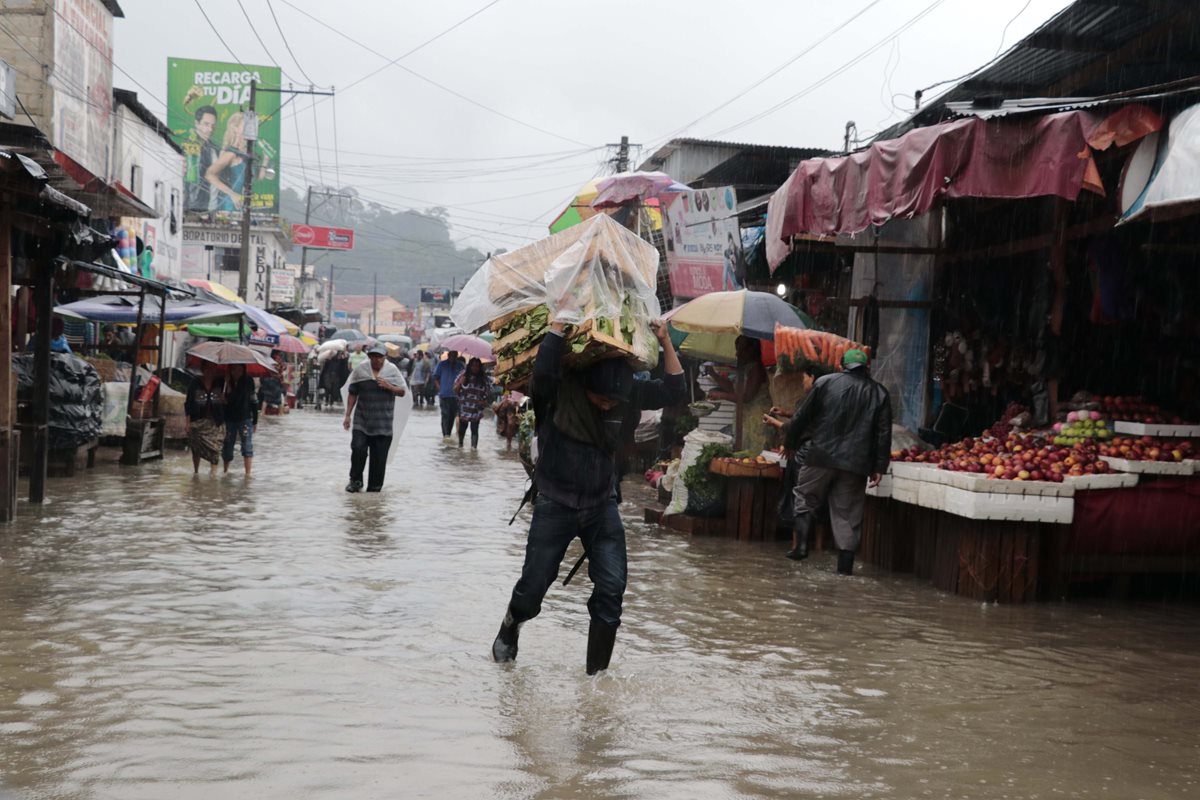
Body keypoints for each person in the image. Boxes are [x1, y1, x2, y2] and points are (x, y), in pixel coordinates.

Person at [491, 313, 686, 675]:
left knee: (612, 590)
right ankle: (511, 622)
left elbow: (675, 391)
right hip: (555, 501)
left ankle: (595, 680)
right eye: (600, 399)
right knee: (533, 587)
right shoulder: (560, 388)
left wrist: (665, 340)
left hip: (601, 504)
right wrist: (557, 328)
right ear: (585, 385)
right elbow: (544, 375)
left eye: (613, 401)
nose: (607, 405)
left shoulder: (627, 391)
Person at [763, 349, 891, 574]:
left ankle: (801, 547)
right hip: (855, 463)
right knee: (847, 513)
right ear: (866, 368)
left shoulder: (825, 383)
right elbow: (883, 433)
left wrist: (791, 444)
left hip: (820, 455)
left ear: (843, 365)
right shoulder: (880, 393)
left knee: (804, 495)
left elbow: (801, 417)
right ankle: (845, 569)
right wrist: (880, 466)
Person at [343, 343, 407, 492]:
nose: (377, 360)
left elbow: (402, 391)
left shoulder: (392, 371)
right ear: (369, 356)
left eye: (380, 357)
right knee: (358, 449)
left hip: (383, 424)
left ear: (385, 357)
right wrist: (347, 415)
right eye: (374, 356)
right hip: (362, 421)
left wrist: (389, 386)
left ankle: (374, 489)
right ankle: (355, 481)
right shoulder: (361, 370)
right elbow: (353, 392)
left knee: (378, 460)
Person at [706, 336, 771, 453]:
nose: (737, 354)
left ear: (751, 350)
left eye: (740, 350)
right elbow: (733, 388)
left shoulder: (756, 368)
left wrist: (720, 395)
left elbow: (747, 397)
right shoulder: (745, 368)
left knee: (753, 456)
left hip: (756, 419)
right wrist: (714, 375)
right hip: (745, 418)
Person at [184, 362, 226, 477]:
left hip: (215, 421)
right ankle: (196, 471)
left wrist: (224, 399)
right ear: (202, 369)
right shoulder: (195, 383)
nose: (210, 371)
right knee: (196, 447)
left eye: (212, 368)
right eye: (207, 368)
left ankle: (213, 473)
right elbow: (188, 404)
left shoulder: (221, 383)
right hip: (197, 420)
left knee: (215, 448)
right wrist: (187, 422)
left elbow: (228, 400)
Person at [223, 363, 258, 476]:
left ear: (243, 370)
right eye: (234, 369)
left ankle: (248, 473)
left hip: (245, 418)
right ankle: (225, 470)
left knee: (247, 445)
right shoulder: (225, 381)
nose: (236, 372)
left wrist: (255, 420)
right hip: (229, 418)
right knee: (228, 444)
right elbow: (224, 401)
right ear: (230, 370)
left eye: (239, 370)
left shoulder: (248, 381)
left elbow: (254, 400)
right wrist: (227, 385)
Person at [182, 105, 219, 213]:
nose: (210, 129)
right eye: (206, 124)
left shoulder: (215, 148)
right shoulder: (190, 145)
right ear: (197, 124)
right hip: (195, 206)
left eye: (213, 126)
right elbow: (190, 180)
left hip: (213, 207)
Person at [454, 357, 491, 449]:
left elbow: (489, 393)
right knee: (463, 428)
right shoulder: (463, 375)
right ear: (469, 366)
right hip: (464, 407)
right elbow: (455, 390)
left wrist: (484, 401)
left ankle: (474, 449)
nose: (475, 368)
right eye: (473, 366)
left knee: (474, 429)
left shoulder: (483, 378)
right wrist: (460, 383)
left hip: (477, 408)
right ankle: (460, 445)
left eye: (477, 366)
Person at [432, 350, 465, 439]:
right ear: (448, 355)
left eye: (455, 355)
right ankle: (446, 435)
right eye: (451, 355)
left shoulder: (461, 366)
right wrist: (440, 389)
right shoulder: (442, 364)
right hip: (444, 394)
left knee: (452, 416)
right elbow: (435, 377)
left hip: (456, 395)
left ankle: (448, 434)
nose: (453, 357)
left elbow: (464, 378)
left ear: (457, 356)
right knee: (445, 415)